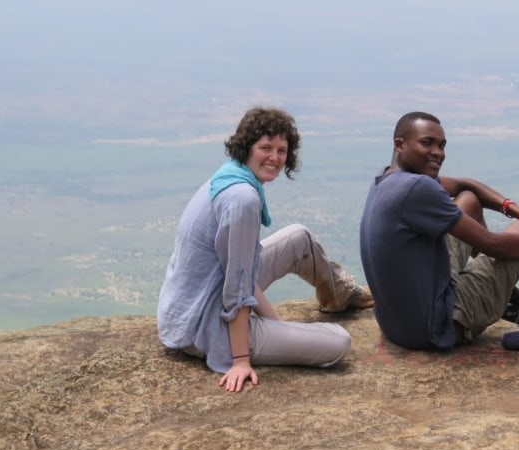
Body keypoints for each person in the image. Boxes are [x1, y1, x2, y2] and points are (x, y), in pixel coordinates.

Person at [157, 106, 373, 393]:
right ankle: (258, 340)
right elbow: (236, 286)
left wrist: (275, 324)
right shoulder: (242, 199)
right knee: (338, 342)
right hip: (203, 323)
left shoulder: (229, 177)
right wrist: (241, 360)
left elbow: (238, 268)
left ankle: (341, 296)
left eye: (281, 150)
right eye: (265, 148)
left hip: (192, 303)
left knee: (299, 238)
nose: (274, 157)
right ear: (247, 147)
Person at [359, 111, 519, 351]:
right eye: (427, 143)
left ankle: (496, 290)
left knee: (468, 201)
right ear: (400, 145)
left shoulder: (387, 178)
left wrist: (515, 210)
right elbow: (494, 245)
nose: (438, 152)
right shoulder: (417, 187)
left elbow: (467, 186)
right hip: (438, 325)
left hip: (397, 325)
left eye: (442, 145)